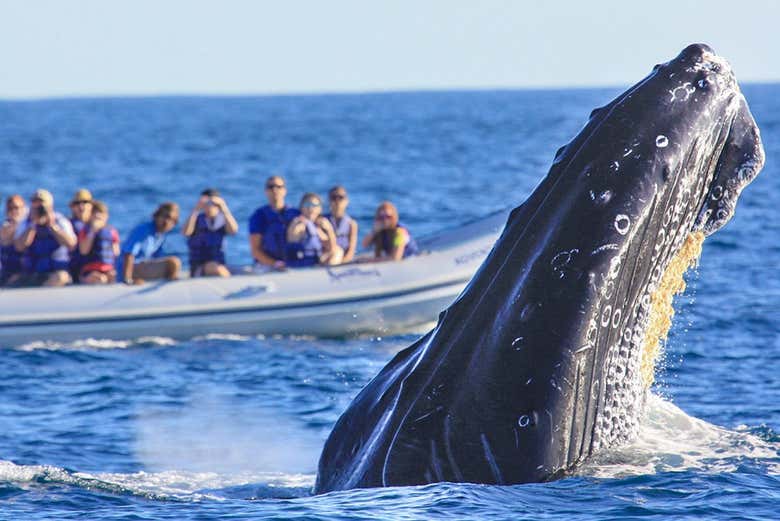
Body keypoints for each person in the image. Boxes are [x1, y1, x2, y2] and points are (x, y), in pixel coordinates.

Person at [13, 189, 78, 286]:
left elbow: (71, 244)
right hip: (33, 272)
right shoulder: (26, 223)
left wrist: (52, 226)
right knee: (13, 280)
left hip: (56, 271)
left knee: (61, 277)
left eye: (41, 204)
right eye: (35, 203)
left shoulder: (60, 221)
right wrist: (33, 225)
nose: (39, 207)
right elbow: (19, 247)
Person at [118, 202, 181, 284]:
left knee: (174, 265)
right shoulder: (144, 229)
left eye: (172, 220)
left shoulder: (160, 235)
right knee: (173, 263)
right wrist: (127, 279)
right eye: (164, 216)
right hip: (126, 269)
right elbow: (129, 253)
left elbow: (157, 257)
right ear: (156, 216)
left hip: (142, 267)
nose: (167, 222)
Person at [182, 188, 238, 277]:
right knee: (215, 268)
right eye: (206, 203)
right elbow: (185, 232)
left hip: (220, 264)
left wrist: (224, 208)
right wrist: (195, 210)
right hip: (199, 267)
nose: (209, 207)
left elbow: (233, 231)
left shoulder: (222, 220)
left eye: (213, 204)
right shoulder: (196, 219)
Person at [248, 175, 300, 272]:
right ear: (266, 191)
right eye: (271, 187)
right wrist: (276, 264)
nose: (275, 190)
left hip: (293, 263)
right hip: (267, 266)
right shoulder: (259, 216)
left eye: (278, 187)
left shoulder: (295, 214)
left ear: (284, 190)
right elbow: (255, 250)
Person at [286, 193, 343, 267]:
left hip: (315, 261)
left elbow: (332, 247)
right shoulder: (297, 223)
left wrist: (329, 230)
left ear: (320, 209)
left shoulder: (318, 226)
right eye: (307, 205)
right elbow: (292, 248)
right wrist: (297, 230)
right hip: (301, 263)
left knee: (338, 251)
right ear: (301, 207)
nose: (310, 208)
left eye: (315, 205)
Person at [77, 200, 120, 284]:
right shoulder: (85, 231)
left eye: (101, 213)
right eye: (94, 213)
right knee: (100, 279)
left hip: (108, 268)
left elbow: (116, 253)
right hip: (90, 270)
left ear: (106, 216)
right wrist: (92, 231)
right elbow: (83, 251)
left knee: (114, 277)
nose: (97, 215)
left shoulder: (112, 231)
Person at [325, 185, 358, 263]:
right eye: (333, 197)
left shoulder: (351, 224)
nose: (337, 201)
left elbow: (351, 250)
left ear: (347, 201)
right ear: (329, 201)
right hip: (327, 256)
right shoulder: (323, 220)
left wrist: (341, 263)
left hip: (342, 261)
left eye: (340, 197)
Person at [1, 195, 27, 286]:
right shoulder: (5, 227)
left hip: (24, 272)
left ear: (24, 209)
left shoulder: (29, 226)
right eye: (10, 208)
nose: (13, 211)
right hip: (6, 271)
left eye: (16, 208)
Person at [68, 188, 94, 281]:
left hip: (95, 267)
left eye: (85, 202)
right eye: (77, 203)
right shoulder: (67, 225)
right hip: (74, 269)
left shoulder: (99, 225)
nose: (81, 206)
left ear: (91, 205)